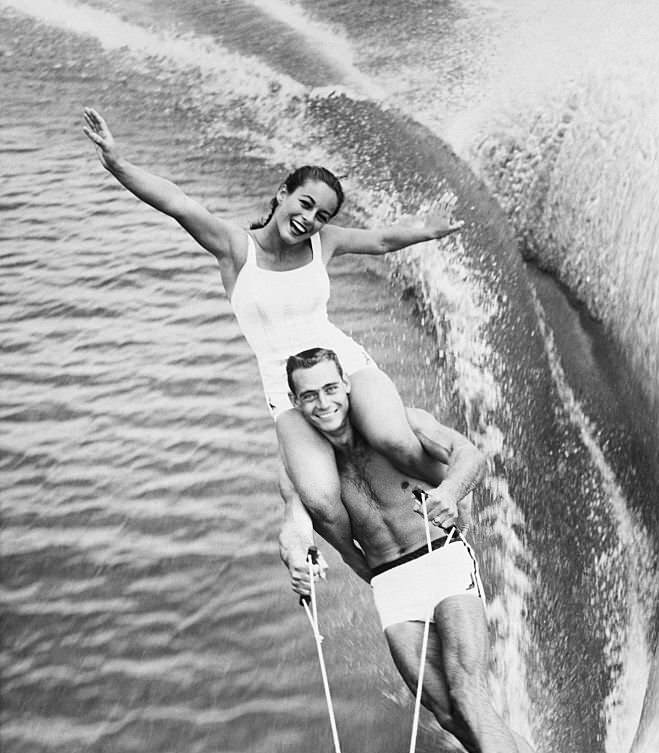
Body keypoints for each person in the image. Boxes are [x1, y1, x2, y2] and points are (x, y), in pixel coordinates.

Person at [81, 107, 459, 563]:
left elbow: (380, 241)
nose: (309, 219)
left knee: (394, 440)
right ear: (283, 195)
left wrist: (428, 232)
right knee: (320, 500)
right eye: (304, 204)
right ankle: (373, 568)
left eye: (321, 215)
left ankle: (453, 494)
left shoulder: (326, 242)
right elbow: (177, 201)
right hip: (285, 388)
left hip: (344, 363)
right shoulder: (235, 248)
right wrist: (117, 163)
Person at [279, 347, 594, 753]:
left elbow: (468, 453)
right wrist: (297, 563)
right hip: (391, 585)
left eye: (331, 388)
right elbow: (294, 526)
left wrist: (450, 491)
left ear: (346, 386)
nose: (323, 402)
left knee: (469, 689)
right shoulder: (303, 466)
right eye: (309, 395)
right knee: (448, 714)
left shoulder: (397, 425)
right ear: (295, 402)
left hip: (443, 558)